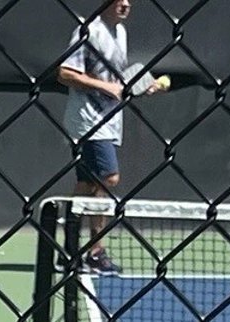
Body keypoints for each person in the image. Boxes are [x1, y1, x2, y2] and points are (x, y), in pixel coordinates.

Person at [58, 0, 168, 273]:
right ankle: (95, 251)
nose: (126, 4)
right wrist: (105, 86)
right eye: (119, 0)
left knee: (86, 184)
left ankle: (70, 249)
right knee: (109, 178)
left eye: (129, 0)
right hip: (87, 120)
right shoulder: (89, 30)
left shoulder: (120, 33)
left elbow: (119, 83)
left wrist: (143, 88)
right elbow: (65, 73)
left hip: (109, 120)